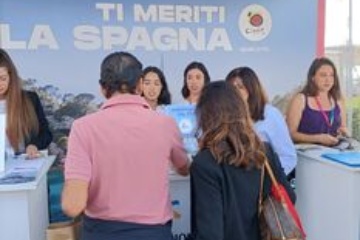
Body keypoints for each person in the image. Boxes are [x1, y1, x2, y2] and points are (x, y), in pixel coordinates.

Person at [61, 51, 190, 240]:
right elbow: (184, 168)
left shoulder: (83, 128)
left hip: (101, 233)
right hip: (153, 233)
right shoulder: (166, 124)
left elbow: (72, 206)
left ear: (102, 88)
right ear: (139, 85)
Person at [191, 81, 295, 240]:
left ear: (205, 115)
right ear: (241, 110)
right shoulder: (264, 151)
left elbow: (210, 233)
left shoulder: (205, 162)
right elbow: (289, 197)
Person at [225, 67, 297, 176]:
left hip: (262, 184)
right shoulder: (225, 115)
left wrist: (265, 180)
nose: (235, 92)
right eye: (231, 88)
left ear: (252, 89)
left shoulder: (270, 115)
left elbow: (288, 157)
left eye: (240, 87)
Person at [0, 48, 52, 158]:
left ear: (11, 76)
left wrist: (34, 145)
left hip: (24, 165)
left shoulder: (30, 99)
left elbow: (46, 134)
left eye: (3, 78)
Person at [286, 57, 348, 146]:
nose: (328, 80)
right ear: (312, 77)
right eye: (323, 75)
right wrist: (318, 138)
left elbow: (343, 127)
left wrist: (343, 132)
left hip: (334, 152)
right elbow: (290, 134)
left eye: (331, 75)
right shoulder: (300, 99)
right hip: (306, 154)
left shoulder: (338, 99)